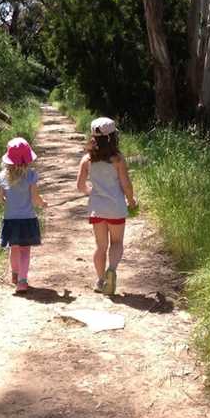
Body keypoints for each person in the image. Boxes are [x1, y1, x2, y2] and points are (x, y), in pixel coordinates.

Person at [76, 117, 137, 295]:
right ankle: (112, 270)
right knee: (117, 243)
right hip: (116, 209)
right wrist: (131, 201)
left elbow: (80, 186)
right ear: (113, 137)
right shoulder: (117, 159)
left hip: (97, 209)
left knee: (100, 247)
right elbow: (126, 185)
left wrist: (92, 193)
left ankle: (100, 280)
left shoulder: (87, 160)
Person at [0, 137, 46, 293]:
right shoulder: (30, 175)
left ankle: (15, 274)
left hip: (10, 220)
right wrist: (42, 203)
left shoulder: (3, 176)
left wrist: (8, 202)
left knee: (14, 248)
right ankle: (22, 281)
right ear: (27, 159)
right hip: (27, 220)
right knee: (25, 250)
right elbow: (34, 198)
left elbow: (0, 198)